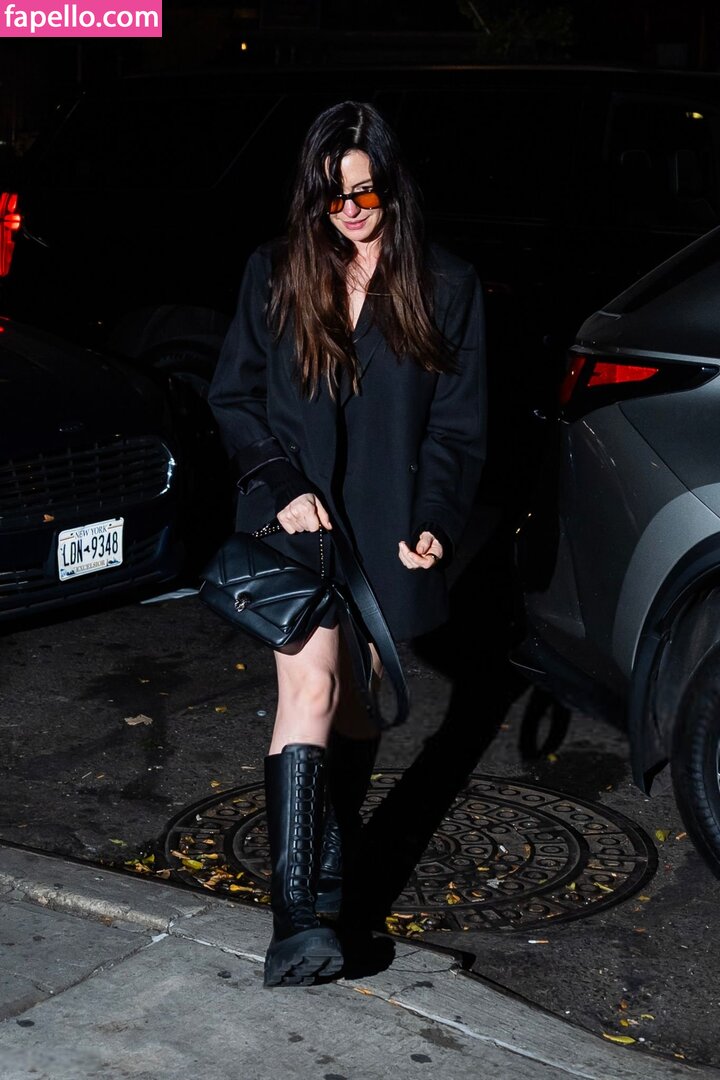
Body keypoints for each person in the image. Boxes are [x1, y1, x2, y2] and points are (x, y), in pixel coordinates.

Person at [208, 101, 486, 988]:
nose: (352, 212)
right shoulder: (275, 273)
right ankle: (297, 923)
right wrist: (281, 486)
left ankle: (330, 873)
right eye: (333, 198)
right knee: (313, 687)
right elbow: (233, 398)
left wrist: (435, 517)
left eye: (365, 192)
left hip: (386, 529)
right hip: (294, 523)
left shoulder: (446, 286)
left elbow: (456, 429)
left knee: (358, 711)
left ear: (392, 185)